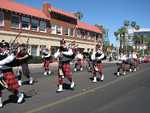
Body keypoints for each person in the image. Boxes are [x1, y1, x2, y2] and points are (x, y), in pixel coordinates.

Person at [0, 41, 24, 108]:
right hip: (0, 72)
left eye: (5, 47)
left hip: (8, 72)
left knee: (10, 88)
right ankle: (0, 103)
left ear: (7, 47)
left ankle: (20, 95)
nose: (3, 48)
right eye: (2, 47)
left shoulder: (11, 55)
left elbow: (7, 61)